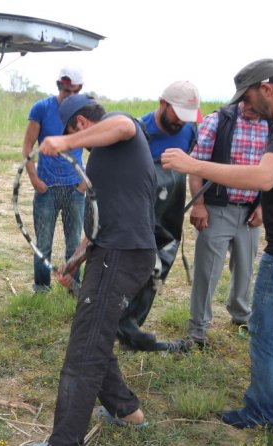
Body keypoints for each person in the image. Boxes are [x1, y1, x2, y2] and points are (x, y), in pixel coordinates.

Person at [161, 59, 273, 438]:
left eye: (250, 97)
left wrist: (196, 164)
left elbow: (264, 176)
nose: (248, 106)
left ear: (267, 87)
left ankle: (261, 411)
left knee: (265, 332)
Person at [30, 94, 157, 446]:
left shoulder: (118, 124)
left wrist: (65, 142)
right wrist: (73, 262)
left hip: (123, 255)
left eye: (73, 132)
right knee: (91, 333)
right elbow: (100, 225)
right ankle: (125, 410)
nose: (75, 142)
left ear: (81, 124)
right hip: (111, 251)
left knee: (85, 348)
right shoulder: (104, 158)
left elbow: (122, 126)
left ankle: (64, 440)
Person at [116, 80, 201, 352]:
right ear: (162, 103)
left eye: (187, 118)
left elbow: (193, 166)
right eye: (177, 115)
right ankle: (115, 325)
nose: (181, 123)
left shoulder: (190, 131)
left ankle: (131, 328)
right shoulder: (137, 131)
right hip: (137, 218)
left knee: (155, 277)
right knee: (128, 275)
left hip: (169, 219)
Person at [187, 101, 268, 346]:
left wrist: (264, 206)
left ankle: (241, 316)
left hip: (250, 212)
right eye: (247, 98)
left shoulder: (272, 125)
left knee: (245, 268)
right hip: (217, 209)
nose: (251, 105)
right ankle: (198, 331)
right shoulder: (217, 121)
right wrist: (198, 205)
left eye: (257, 99)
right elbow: (195, 166)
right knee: (207, 271)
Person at [22, 66, 85, 292]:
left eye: (73, 91)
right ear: (58, 86)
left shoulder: (85, 111)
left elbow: (96, 147)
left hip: (74, 189)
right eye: (64, 90)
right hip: (46, 188)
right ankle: (41, 287)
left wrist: (83, 184)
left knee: (75, 244)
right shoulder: (41, 108)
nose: (67, 95)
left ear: (80, 90)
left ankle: (73, 287)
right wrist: (34, 181)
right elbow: (28, 147)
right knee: (44, 243)